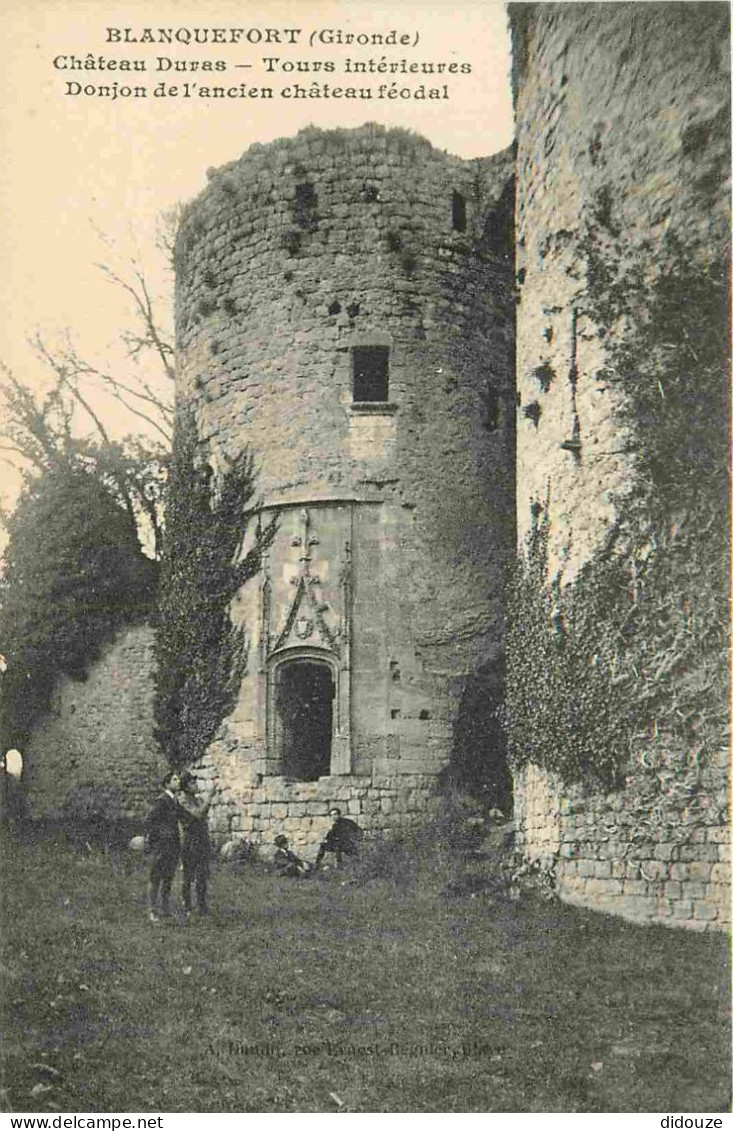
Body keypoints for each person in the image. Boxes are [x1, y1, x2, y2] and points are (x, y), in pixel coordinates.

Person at [177, 772, 216, 917]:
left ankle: (202, 905)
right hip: (190, 841)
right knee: (188, 875)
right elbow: (198, 815)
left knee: (202, 874)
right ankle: (187, 906)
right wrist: (210, 797)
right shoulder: (183, 801)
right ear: (186, 786)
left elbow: (203, 815)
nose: (196, 785)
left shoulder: (198, 799)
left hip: (202, 839)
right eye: (193, 783)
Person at [144, 772, 181, 922]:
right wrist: (157, 838)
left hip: (172, 846)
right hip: (161, 846)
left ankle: (165, 909)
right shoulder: (162, 801)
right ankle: (152, 910)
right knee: (156, 878)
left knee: (168, 878)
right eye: (174, 779)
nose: (178, 782)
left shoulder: (174, 801)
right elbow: (149, 820)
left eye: (178, 779)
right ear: (167, 784)